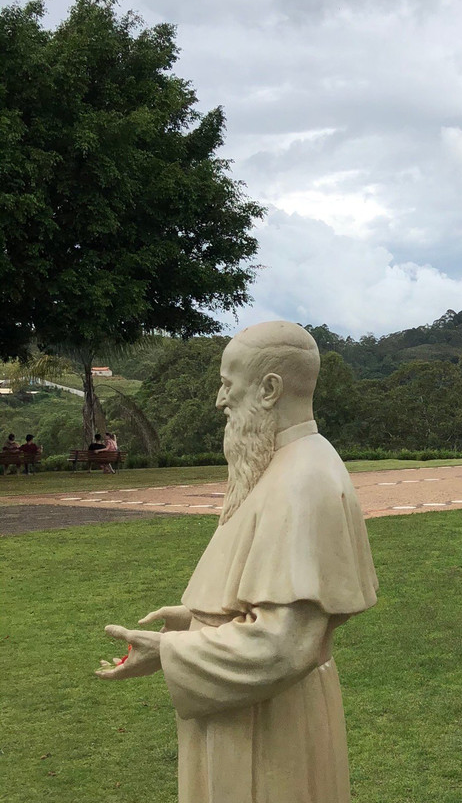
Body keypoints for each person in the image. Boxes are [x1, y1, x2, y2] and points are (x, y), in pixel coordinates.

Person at [97, 321, 379, 803]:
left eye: (229, 385)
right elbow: (267, 606)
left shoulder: (302, 482)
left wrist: (166, 652)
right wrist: (196, 620)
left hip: (268, 727)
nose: (219, 400)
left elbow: (282, 647)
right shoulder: (281, 463)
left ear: (269, 389)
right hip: (251, 711)